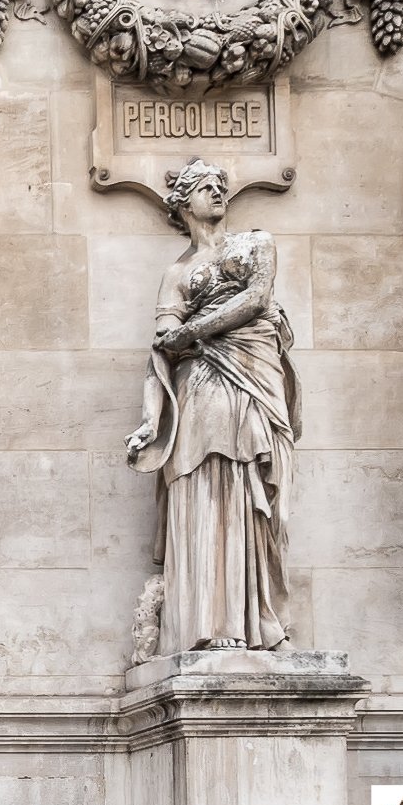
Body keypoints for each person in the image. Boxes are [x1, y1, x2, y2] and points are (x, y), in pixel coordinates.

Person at [126, 159, 298, 654]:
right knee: (202, 486)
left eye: (221, 186)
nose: (218, 193)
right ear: (184, 203)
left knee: (251, 492)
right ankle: (207, 621)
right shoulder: (177, 272)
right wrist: (149, 420)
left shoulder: (256, 243)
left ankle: (255, 620)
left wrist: (192, 331)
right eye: (205, 187)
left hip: (252, 379)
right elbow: (160, 347)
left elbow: (257, 299)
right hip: (199, 387)